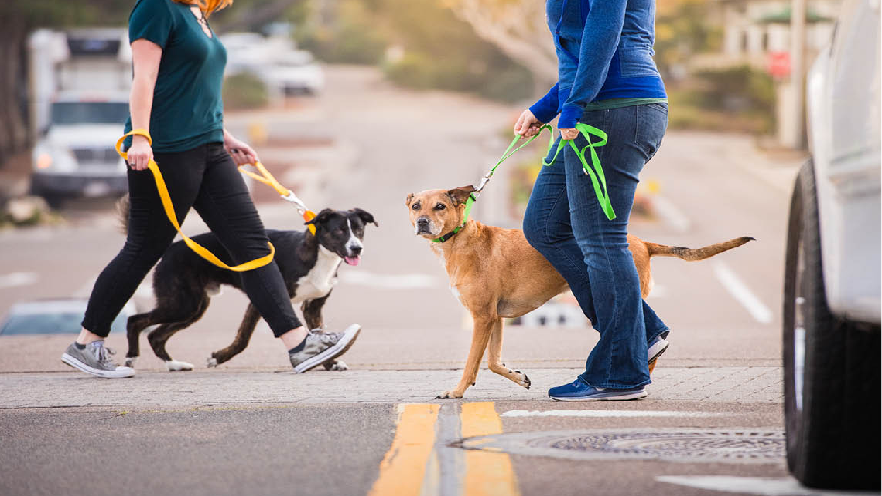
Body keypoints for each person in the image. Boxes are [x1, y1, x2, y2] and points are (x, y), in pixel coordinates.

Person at [61, 0, 359, 378]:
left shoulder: (196, 14)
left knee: (252, 246)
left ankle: (300, 345)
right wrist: (139, 135)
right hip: (166, 150)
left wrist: (225, 136)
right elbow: (145, 78)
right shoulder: (157, 8)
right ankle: (87, 343)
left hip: (210, 149)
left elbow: (193, 89)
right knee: (143, 249)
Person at [515, 0, 670, 400]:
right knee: (545, 225)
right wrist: (545, 108)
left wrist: (575, 105)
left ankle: (621, 373)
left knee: (602, 239)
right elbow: (580, 54)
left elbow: (604, 34)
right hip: (594, 106)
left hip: (614, 109)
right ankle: (643, 333)